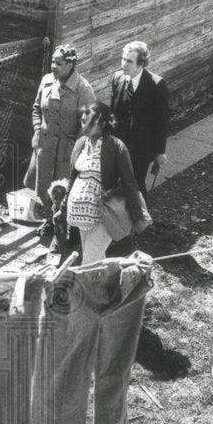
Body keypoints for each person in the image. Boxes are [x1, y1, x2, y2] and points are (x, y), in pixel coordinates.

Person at [64, 102, 148, 265]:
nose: (84, 120)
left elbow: (129, 183)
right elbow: (72, 178)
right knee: (95, 259)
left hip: (104, 214)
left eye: (90, 118)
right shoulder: (81, 143)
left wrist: (137, 217)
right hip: (82, 216)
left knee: (88, 262)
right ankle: (107, 288)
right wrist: (62, 206)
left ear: (103, 123)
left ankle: (85, 290)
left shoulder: (116, 147)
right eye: (83, 117)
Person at [29, 44, 96, 228]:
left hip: (68, 150)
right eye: (52, 62)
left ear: (70, 65)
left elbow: (90, 124)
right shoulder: (46, 81)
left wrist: (77, 148)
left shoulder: (83, 89)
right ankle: (50, 220)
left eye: (58, 63)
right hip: (45, 146)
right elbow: (36, 108)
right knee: (43, 187)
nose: (53, 66)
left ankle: (63, 227)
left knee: (63, 190)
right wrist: (36, 131)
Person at [110, 40, 170, 198]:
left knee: (135, 183)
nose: (124, 64)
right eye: (123, 59)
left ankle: (141, 218)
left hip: (142, 148)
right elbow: (113, 113)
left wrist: (159, 151)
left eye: (129, 61)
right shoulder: (117, 79)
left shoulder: (156, 85)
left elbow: (161, 121)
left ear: (141, 63)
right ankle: (119, 217)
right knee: (116, 181)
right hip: (119, 144)